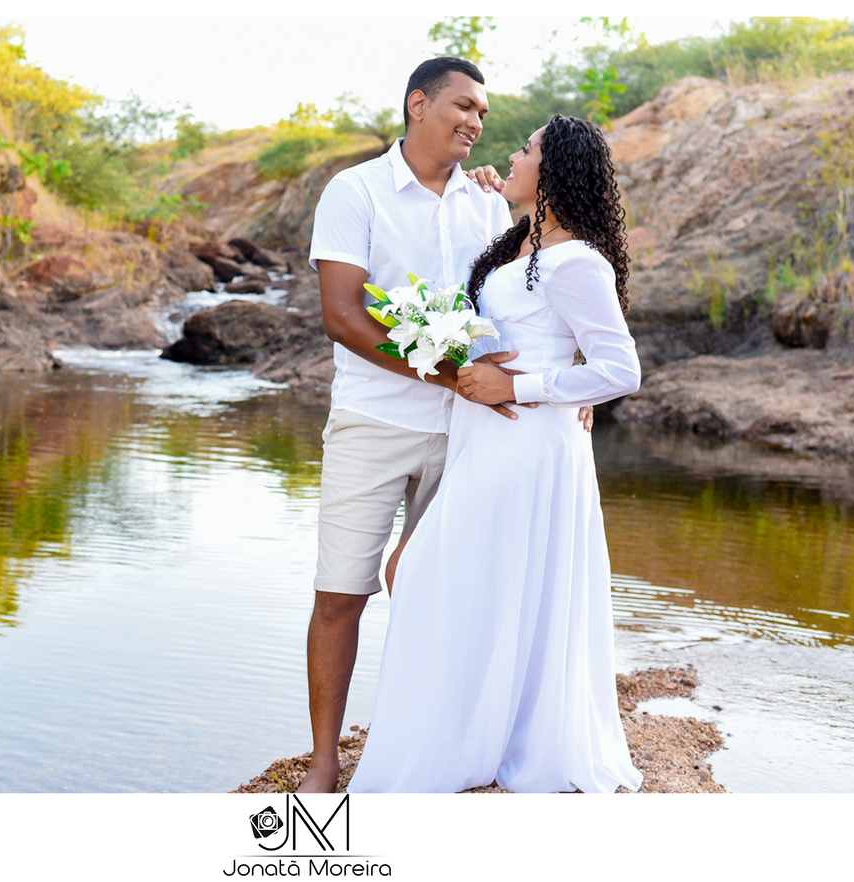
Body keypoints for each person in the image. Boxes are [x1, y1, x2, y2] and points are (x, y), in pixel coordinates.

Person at [300, 57, 590, 794]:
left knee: (448, 586)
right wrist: (449, 375)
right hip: (373, 420)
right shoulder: (354, 191)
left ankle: (438, 741)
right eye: (464, 106)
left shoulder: (489, 203)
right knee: (342, 593)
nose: (476, 121)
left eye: (484, 113)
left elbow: (543, 288)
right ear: (418, 104)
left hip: (473, 433)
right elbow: (343, 317)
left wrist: (576, 372)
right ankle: (325, 762)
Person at [347, 114, 644, 794]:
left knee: (439, 570)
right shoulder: (519, 245)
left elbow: (620, 369)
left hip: (528, 445)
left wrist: (521, 386)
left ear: (555, 169)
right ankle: (471, 729)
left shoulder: (577, 260)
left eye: (525, 149)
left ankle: (478, 740)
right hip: (485, 438)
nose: (511, 154)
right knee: (471, 579)